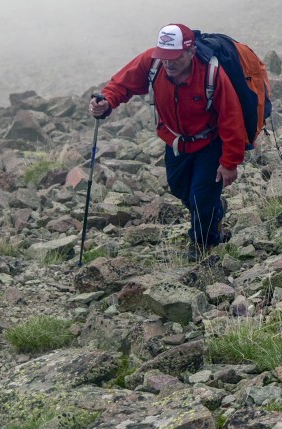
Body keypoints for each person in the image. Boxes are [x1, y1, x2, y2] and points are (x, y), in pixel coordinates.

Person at [88, 24, 247, 259]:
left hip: (210, 142)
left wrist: (230, 162)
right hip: (176, 142)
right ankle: (212, 212)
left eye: (174, 58)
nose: (168, 63)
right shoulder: (152, 62)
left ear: (191, 52)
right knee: (180, 188)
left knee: (200, 197)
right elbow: (122, 84)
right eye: (164, 57)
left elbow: (231, 117)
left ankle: (204, 246)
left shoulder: (212, 74)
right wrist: (106, 102)